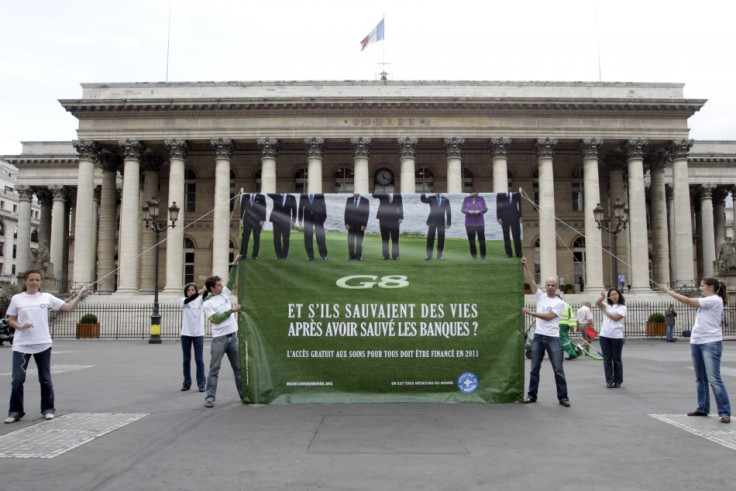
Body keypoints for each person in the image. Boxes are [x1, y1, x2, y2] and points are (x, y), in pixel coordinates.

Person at [5, 270, 90, 423]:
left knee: (45, 378)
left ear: (40, 281)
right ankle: (15, 412)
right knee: (17, 379)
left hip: (42, 343)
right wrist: (20, 326)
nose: (34, 282)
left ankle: (48, 409)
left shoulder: (46, 297)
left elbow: (68, 307)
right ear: (25, 282)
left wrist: (80, 294)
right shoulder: (17, 299)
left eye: (37, 280)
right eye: (31, 280)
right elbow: (11, 320)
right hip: (21, 344)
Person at [659, 278, 731, 423]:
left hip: (710, 342)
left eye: (702, 285)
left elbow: (689, 301)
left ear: (711, 287)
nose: (699, 288)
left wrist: (668, 291)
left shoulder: (715, 300)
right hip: (697, 342)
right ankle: (703, 407)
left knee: (714, 379)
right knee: (700, 378)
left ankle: (724, 412)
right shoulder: (709, 301)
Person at [521, 257, 570, 407]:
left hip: (552, 338)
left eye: (552, 285)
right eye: (548, 285)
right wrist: (526, 265)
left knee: (558, 369)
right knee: (534, 368)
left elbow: (549, 317)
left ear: (556, 287)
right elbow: (531, 281)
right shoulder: (541, 297)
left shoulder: (560, 303)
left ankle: (563, 397)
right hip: (539, 336)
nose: (549, 287)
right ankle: (531, 394)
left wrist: (531, 313)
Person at [202, 256, 243, 408]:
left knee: (238, 369)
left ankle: (243, 394)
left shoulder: (224, 294)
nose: (221, 286)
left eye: (220, 284)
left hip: (233, 337)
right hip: (219, 339)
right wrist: (231, 310)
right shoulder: (208, 303)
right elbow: (215, 319)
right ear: (212, 288)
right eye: (218, 285)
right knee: (214, 369)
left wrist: (235, 264)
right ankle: (210, 397)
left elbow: (232, 281)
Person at [596, 288, 627, 389]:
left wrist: (604, 311)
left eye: (616, 294)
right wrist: (602, 298)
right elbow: (597, 303)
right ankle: (609, 380)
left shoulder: (622, 307)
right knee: (607, 360)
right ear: (609, 296)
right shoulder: (607, 305)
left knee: (617, 359)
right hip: (604, 335)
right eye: (612, 294)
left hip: (616, 336)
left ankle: (618, 380)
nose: (614, 296)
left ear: (619, 295)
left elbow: (616, 318)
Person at [179, 282, 206, 392]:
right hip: (186, 333)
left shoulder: (200, 301)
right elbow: (189, 300)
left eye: (192, 290)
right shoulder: (183, 301)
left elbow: (206, 295)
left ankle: (201, 383)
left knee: (199, 359)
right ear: (186, 292)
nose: (191, 291)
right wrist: (201, 290)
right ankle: (187, 382)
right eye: (189, 290)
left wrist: (206, 288)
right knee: (186, 359)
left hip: (198, 333)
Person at [372, 192, 403, 260]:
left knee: (395, 238)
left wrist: (401, 217)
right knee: (385, 238)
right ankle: (385, 256)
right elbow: (374, 195)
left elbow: (400, 205)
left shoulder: (397, 193)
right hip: (383, 217)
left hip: (395, 218)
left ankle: (395, 256)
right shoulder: (382, 192)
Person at [420, 193, 452, 260]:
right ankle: (429, 255)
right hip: (432, 221)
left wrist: (448, 222)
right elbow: (423, 200)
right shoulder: (431, 198)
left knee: (441, 239)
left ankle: (440, 255)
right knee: (430, 239)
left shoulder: (446, 200)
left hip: (441, 222)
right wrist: (422, 193)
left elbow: (448, 212)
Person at [298, 193, 328, 261]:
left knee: (320, 237)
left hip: (319, 217)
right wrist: (300, 219)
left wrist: (324, 216)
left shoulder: (320, 194)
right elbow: (300, 206)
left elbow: (323, 205)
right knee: (308, 237)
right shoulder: (303, 194)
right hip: (307, 218)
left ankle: (323, 255)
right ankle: (310, 256)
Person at [267, 193, 297, 259]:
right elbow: (268, 193)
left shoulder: (291, 197)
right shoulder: (275, 195)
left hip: (286, 220)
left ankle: (285, 255)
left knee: (286, 238)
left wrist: (293, 221)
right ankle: (279, 255)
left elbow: (294, 209)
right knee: (276, 238)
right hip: (276, 219)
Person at [239, 192, 267, 260]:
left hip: (257, 220)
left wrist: (262, 219)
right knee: (245, 237)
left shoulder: (261, 196)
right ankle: (243, 254)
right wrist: (240, 218)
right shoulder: (245, 196)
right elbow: (242, 207)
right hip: (247, 219)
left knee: (256, 238)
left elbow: (264, 208)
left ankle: (255, 255)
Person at [461, 192, 487, 259]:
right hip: (469, 223)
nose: (471, 193)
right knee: (471, 240)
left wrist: (479, 211)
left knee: (482, 240)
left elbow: (485, 209)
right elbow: (462, 209)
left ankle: (483, 256)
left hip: (480, 223)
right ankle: (474, 256)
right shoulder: (466, 199)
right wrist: (468, 211)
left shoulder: (481, 199)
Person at [496, 191, 522, 258]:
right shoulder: (500, 194)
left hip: (515, 216)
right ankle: (508, 253)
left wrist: (521, 215)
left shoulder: (517, 193)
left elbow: (521, 204)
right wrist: (499, 217)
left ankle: (519, 253)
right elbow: (498, 205)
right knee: (506, 235)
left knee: (516, 235)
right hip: (504, 217)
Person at [344, 193, 370, 261]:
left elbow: (366, 213)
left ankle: (359, 256)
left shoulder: (365, 200)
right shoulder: (349, 199)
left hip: (360, 224)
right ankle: (351, 256)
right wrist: (346, 223)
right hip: (350, 224)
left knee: (359, 241)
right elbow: (346, 212)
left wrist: (364, 224)